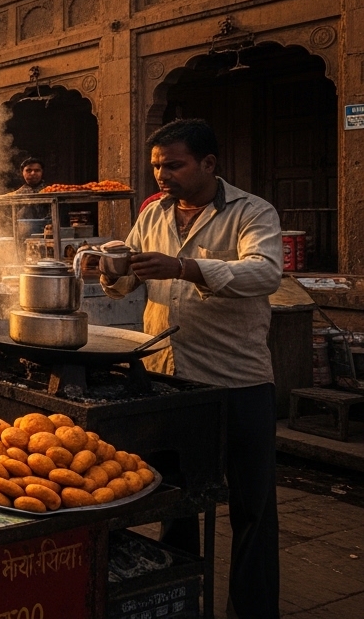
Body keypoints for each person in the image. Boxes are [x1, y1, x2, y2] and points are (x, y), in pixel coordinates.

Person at [100, 119, 281, 618]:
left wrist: (187, 267)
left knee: (252, 509)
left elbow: (266, 272)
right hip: (168, 377)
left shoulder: (251, 211)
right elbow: (129, 285)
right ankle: (175, 602)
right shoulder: (154, 214)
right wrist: (112, 273)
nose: (162, 175)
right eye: (157, 165)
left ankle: (254, 610)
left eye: (173, 165)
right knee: (172, 499)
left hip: (237, 380)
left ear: (208, 163)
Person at [13, 157, 50, 222]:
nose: (33, 173)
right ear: (22, 172)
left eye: (37, 170)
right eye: (29, 170)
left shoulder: (50, 191)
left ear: (42, 172)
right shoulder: (17, 194)